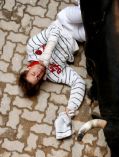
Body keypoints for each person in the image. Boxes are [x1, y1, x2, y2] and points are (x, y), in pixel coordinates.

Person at [18, 5, 86, 140]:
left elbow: (54, 30)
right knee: (102, 25)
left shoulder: (32, 47)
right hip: (76, 37)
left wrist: (46, 54)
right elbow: (78, 82)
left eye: (33, 74)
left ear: (27, 69)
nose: (38, 74)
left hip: (65, 21)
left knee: (86, 11)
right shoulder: (54, 74)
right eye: (38, 78)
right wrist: (69, 111)